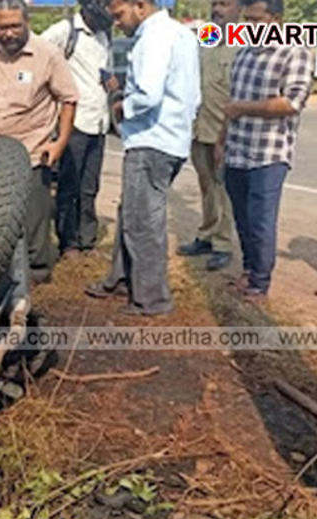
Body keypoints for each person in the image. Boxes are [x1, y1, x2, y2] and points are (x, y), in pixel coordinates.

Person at [84, 0, 200, 317]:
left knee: (142, 223)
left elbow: (148, 93)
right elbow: (194, 96)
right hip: (172, 140)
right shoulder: (181, 34)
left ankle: (151, 299)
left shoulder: (153, 37)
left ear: (140, 6)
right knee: (132, 213)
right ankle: (121, 278)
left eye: (119, 15)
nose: (116, 22)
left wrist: (123, 107)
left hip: (151, 141)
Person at [217, 0, 314, 301]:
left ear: (276, 19)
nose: (250, 26)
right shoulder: (245, 52)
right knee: (242, 217)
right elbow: (232, 102)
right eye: (247, 20)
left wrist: (245, 108)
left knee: (260, 220)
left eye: (256, 20)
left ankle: (260, 282)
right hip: (237, 149)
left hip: (269, 154)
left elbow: (292, 102)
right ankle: (248, 271)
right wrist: (221, 141)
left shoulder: (294, 52)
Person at [0, 0, 80, 284]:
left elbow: (69, 99)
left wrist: (60, 142)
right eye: (3, 27)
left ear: (27, 23)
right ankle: (2, 268)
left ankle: (37, 271)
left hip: (32, 151)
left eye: (15, 26)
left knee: (34, 216)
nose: (8, 33)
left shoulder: (47, 54)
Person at [40, 0, 115, 259]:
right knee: (69, 185)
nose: (108, 10)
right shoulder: (66, 30)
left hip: (99, 122)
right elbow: (38, 54)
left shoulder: (104, 36)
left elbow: (105, 72)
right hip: (75, 122)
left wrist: (111, 82)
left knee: (90, 187)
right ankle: (68, 242)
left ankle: (87, 241)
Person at [176, 0, 241, 271]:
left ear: (238, 8)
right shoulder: (207, 37)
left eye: (224, 4)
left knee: (223, 190)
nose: (218, 10)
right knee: (206, 187)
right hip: (199, 128)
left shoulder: (243, 43)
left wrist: (225, 138)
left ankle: (223, 245)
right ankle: (206, 235)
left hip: (224, 132)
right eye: (215, 4)